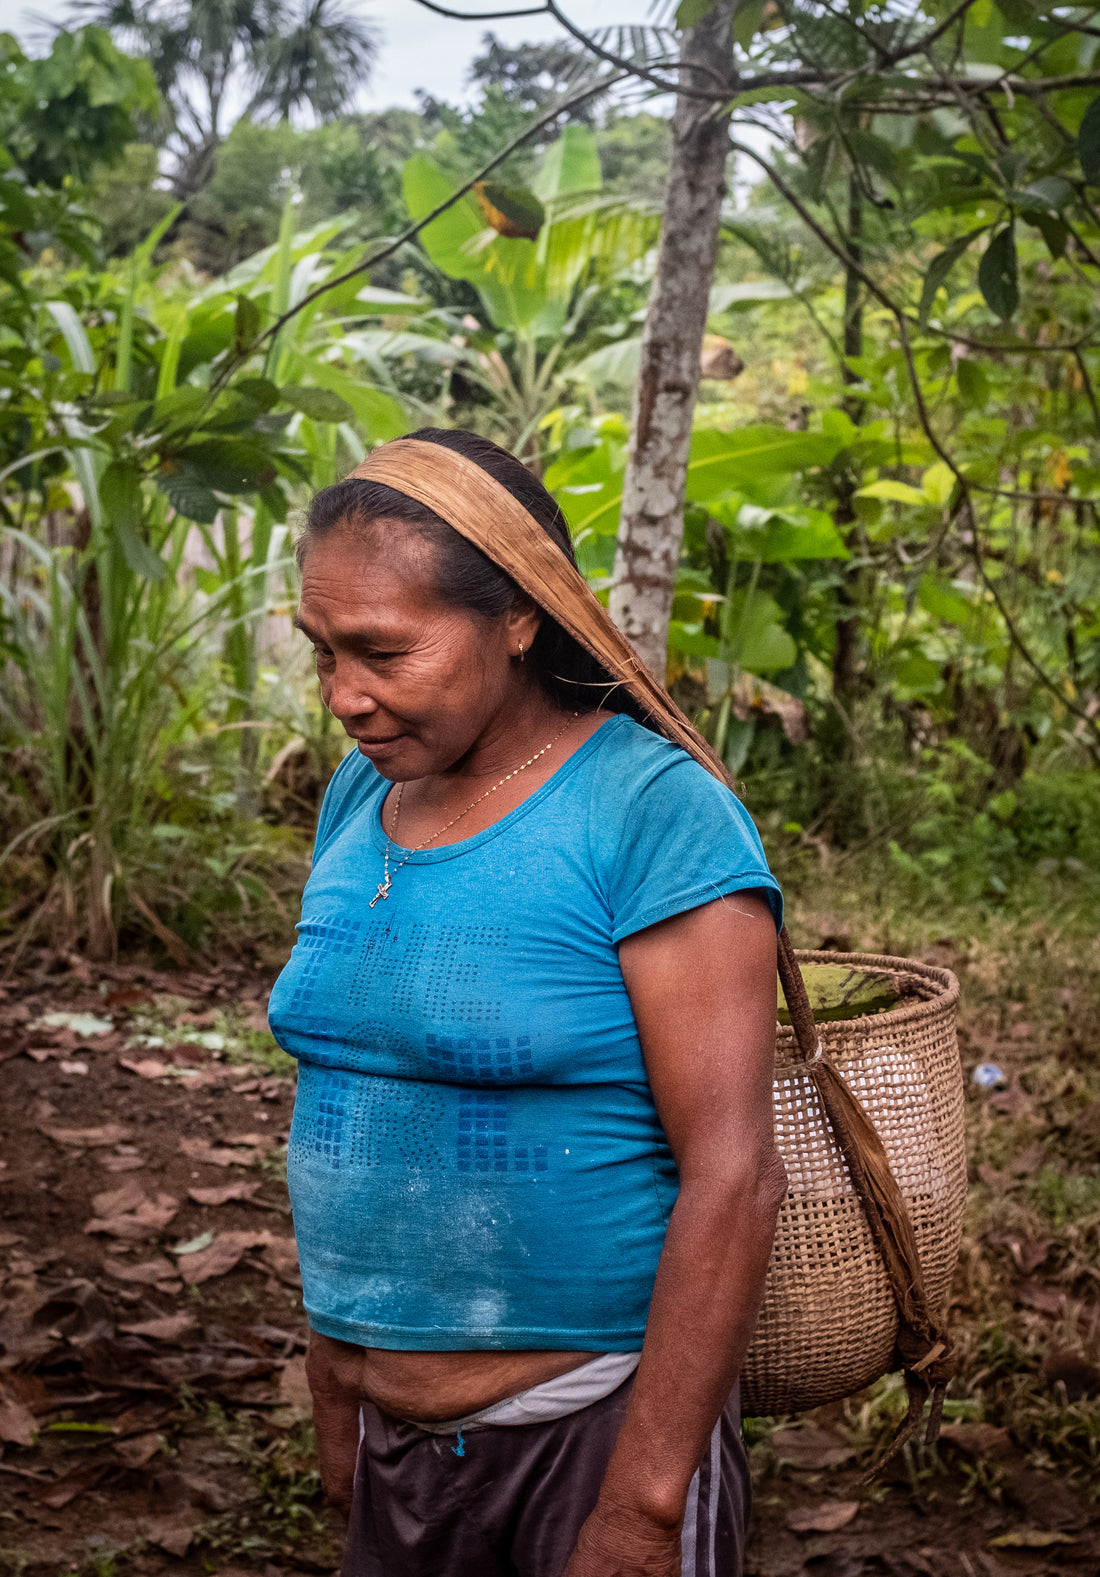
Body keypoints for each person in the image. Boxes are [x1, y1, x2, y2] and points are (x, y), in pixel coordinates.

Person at [267, 428, 788, 1577]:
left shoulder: (650, 812)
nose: (343, 696)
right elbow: (347, 1092)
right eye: (321, 652)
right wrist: (336, 1387)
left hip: (589, 1437)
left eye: (382, 652)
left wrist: (642, 1509)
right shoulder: (363, 791)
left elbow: (733, 1174)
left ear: (515, 617)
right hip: (396, 1439)